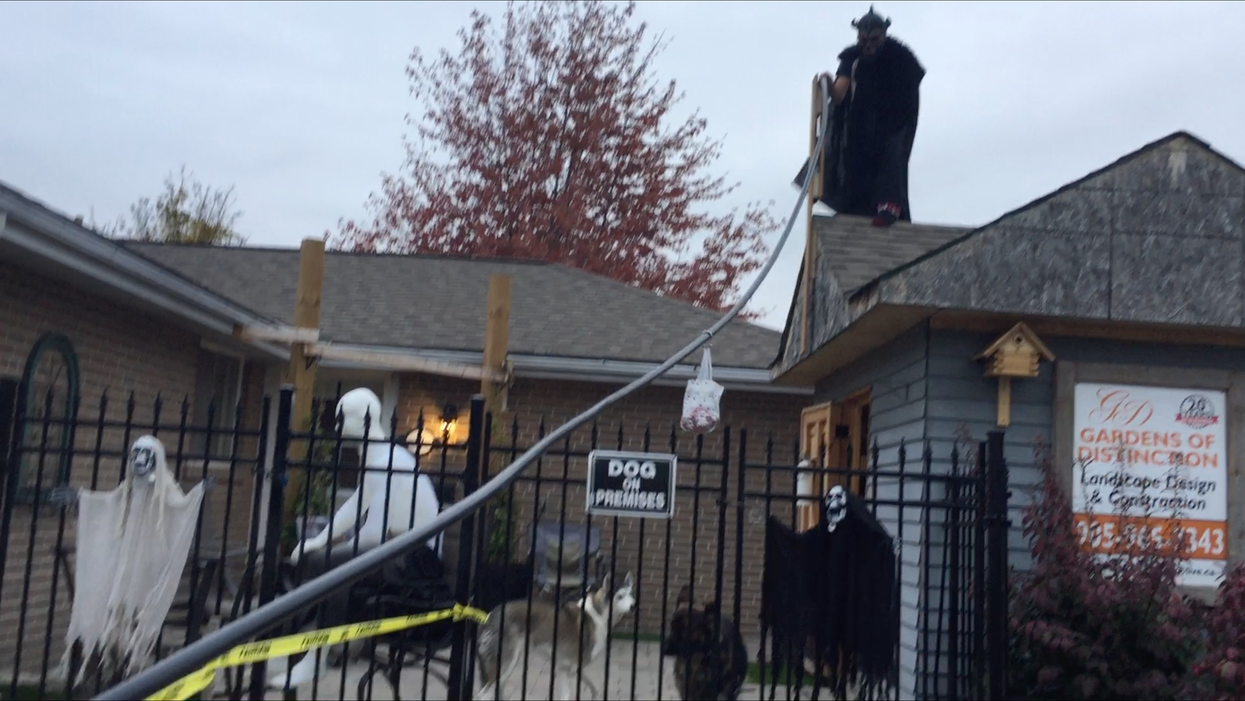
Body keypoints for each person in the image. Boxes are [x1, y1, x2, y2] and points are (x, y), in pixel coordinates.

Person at [794, 6, 925, 227]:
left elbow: (909, 93)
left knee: (890, 160)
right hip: (859, 124)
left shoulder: (900, 58)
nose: (869, 45)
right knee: (853, 164)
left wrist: (896, 120)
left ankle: (888, 206)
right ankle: (854, 206)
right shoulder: (852, 59)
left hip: (891, 123)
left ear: (883, 35)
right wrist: (828, 83)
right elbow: (840, 91)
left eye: (874, 39)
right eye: (864, 39)